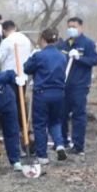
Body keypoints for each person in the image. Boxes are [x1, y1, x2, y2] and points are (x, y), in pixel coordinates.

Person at [24, 30, 68, 164]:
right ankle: (59, 144)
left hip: (42, 93)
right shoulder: (62, 56)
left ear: (43, 39)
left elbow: (26, 68)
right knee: (55, 121)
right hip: (59, 93)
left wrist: (32, 56)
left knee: (40, 124)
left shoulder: (39, 56)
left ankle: (42, 156)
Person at [58, 17, 97, 156]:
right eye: (69, 26)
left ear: (81, 27)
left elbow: (94, 60)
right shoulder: (64, 44)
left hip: (80, 85)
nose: (71, 29)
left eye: (74, 26)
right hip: (64, 85)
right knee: (61, 114)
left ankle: (78, 146)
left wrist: (79, 58)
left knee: (78, 115)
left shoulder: (87, 43)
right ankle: (63, 141)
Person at [0, 20, 32, 134]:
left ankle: (10, 127)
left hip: (9, 77)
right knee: (21, 103)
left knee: (10, 103)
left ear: (4, 31)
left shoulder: (7, 41)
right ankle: (23, 128)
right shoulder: (26, 40)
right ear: (15, 27)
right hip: (22, 77)